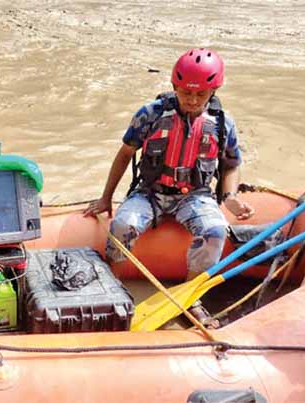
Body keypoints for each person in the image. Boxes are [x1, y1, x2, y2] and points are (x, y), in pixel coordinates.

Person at [83, 48, 255, 325]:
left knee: (215, 231)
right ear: (174, 85)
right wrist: (106, 198)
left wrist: (230, 198)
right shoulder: (150, 115)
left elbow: (231, 164)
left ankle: (189, 297)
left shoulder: (222, 124)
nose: (193, 100)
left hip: (194, 196)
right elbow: (125, 153)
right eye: (186, 92)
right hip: (150, 192)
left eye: (201, 94)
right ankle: (112, 284)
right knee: (123, 225)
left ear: (214, 91)